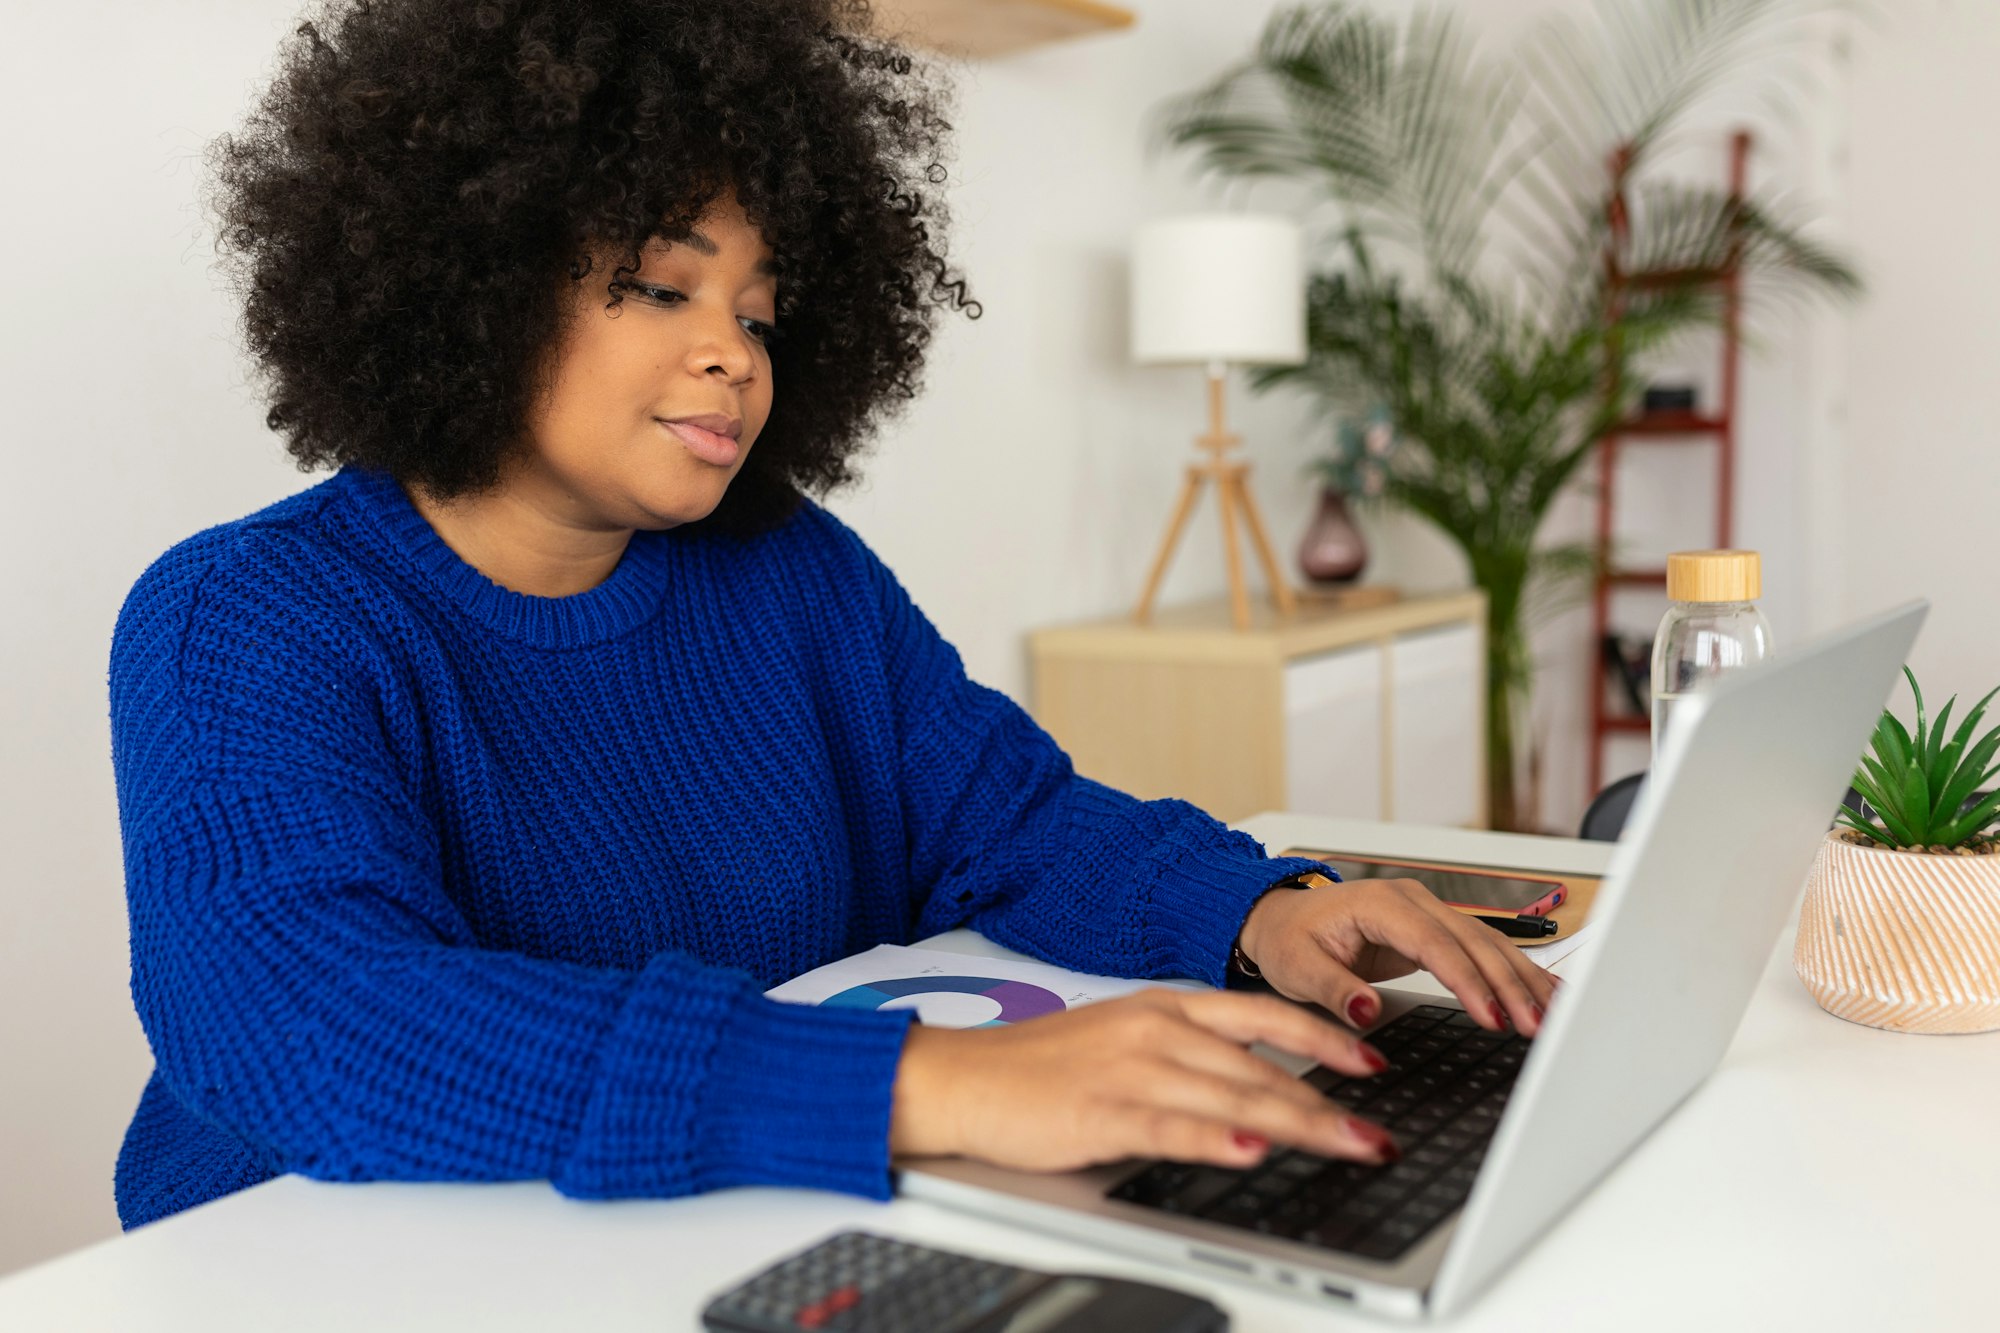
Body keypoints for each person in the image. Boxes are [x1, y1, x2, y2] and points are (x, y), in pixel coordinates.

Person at [107, 0, 1556, 1231]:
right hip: (332, 1263)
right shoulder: (244, 618)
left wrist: (1254, 905)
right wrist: (927, 1089)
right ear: (466, 275)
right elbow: (316, 1019)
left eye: (758, 311)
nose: (730, 357)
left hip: (699, 1234)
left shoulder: (793, 571)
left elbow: (1007, 819)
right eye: (660, 286)